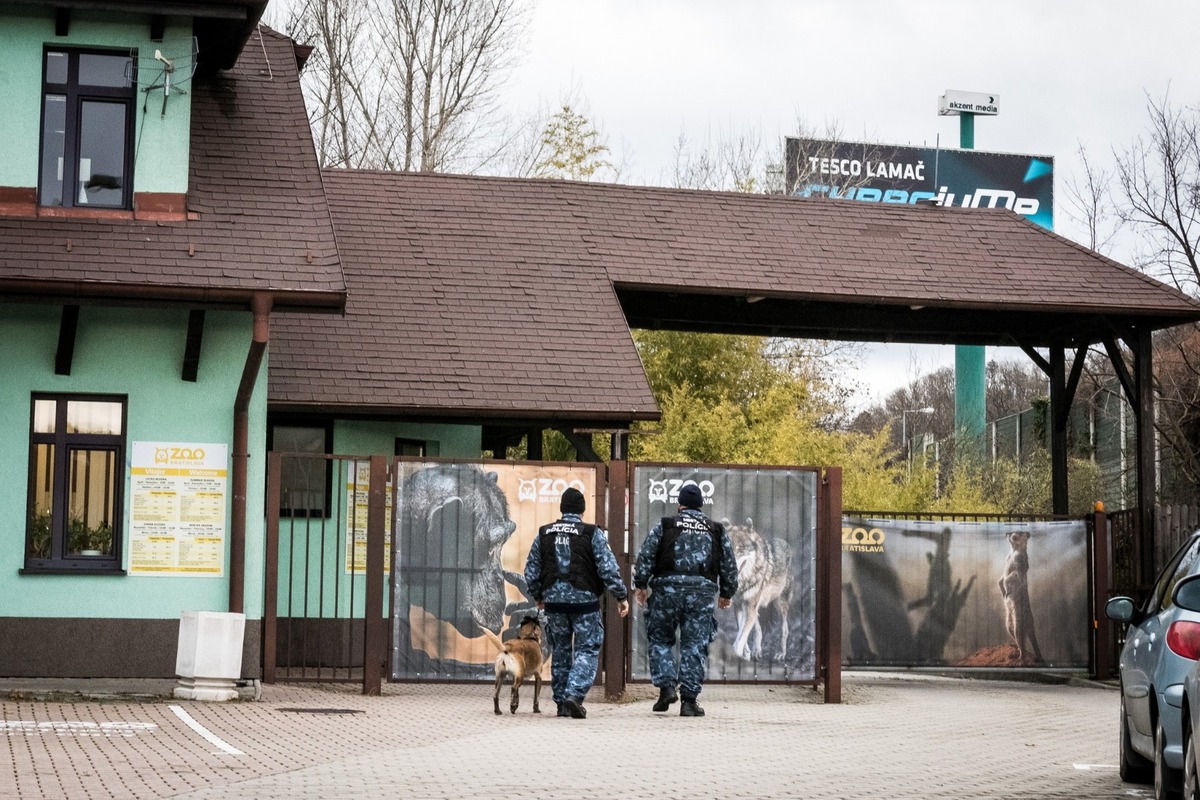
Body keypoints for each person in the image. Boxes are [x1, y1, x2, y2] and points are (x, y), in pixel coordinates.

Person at [633, 482, 738, 717]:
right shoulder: (716, 529)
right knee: (694, 645)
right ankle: (689, 702)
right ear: (701, 506)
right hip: (701, 595)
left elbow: (646, 556)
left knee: (660, 639)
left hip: (665, 592)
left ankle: (667, 687)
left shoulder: (666, 524)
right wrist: (727, 593)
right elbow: (729, 565)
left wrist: (640, 585)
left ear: (679, 504)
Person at [525, 487, 630, 719]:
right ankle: (574, 695)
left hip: (554, 604)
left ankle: (562, 703)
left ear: (562, 508)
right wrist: (621, 596)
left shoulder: (544, 533)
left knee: (561, 651)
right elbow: (608, 568)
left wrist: (538, 596)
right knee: (587, 648)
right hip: (585, 603)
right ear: (582, 510)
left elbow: (531, 569)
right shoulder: (591, 533)